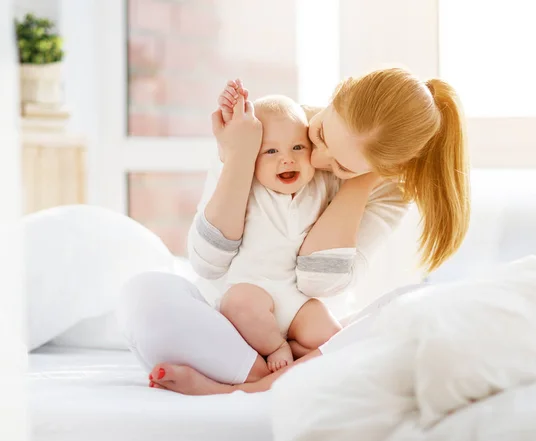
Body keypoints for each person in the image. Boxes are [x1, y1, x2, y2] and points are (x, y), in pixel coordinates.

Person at [117, 67, 470, 395]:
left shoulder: (389, 190)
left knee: (410, 305)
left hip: (312, 332)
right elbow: (207, 261)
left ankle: (246, 388)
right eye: (319, 135)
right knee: (143, 292)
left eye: (342, 165)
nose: (316, 160)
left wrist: (361, 182)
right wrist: (240, 155)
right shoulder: (271, 126)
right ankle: (271, 375)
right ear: (336, 95)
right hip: (225, 327)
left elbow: (317, 280)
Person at [210, 90, 342, 373]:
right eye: (270, 151)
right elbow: (230, 154)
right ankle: (276, 347)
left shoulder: (320, 184)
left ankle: (291, 348)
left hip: (295, 298)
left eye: (298, 147)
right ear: (253, 159)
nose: (287, 159)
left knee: (333, 337)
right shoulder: (250, 184)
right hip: (253, 289)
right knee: (237, 305)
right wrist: (234, 117)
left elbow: (340, 161)